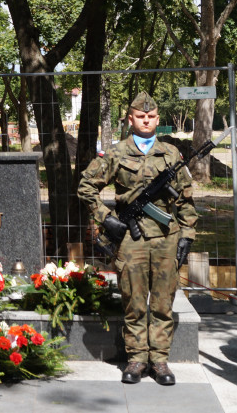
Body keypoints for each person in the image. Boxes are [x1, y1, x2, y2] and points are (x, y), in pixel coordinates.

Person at [77, 91, 198, 386]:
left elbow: (185, 199)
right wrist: (107, 219)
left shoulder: (170, 154)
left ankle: (159, 361)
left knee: (162, 301)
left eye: (151, 116)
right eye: (140, 116)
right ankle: (136, 359)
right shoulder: (117, 153)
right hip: (131, 240)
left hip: (166, 237)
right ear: (130, 119)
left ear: (158, 119)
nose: (146, 120)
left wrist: (187, 235)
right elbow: (85, 186)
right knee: (133, 301)